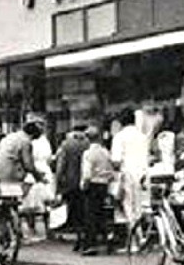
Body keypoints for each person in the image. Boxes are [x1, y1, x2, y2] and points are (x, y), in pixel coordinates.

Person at [110, 109, 148, 226]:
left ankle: (133, 233)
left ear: (121, 122)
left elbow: (116, 161)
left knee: (128, 209)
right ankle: (140, 231)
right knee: (141, 207)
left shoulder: (119, 137)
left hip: (127, 175)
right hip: (144, 175)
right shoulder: (143, 137)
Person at [80, 125, 113, 256]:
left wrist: (84, 185)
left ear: (88, 139)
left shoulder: (88, 154)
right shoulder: (105, 152)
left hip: (92, 184)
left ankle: (90, 244)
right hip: (104, 184)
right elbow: (110, 170)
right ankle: (106, 242)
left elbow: (87, 173)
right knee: (101, 214)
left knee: (90, 216)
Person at [55, 126, 89, 251]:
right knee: (85, 210)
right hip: (87, 181)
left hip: (71, 182)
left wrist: (58, 182)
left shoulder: (66, 145)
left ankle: (78, 237)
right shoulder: (89, 143)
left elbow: (61, 165)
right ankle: (84, 237)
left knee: (74, 210)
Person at [22, 119, 54, 240]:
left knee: (29, 205)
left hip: (31, 172)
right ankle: (46, 231)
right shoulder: (45, 142)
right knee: (45, 204)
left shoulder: (27, 142)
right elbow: (49, 158)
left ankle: (30, 231)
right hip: (44, 171)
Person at [0, 120, 44, 185]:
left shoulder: (11, 136)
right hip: (8, 177)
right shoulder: (25, 141)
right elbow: (28, 165)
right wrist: (40, 179)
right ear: (35, 133)